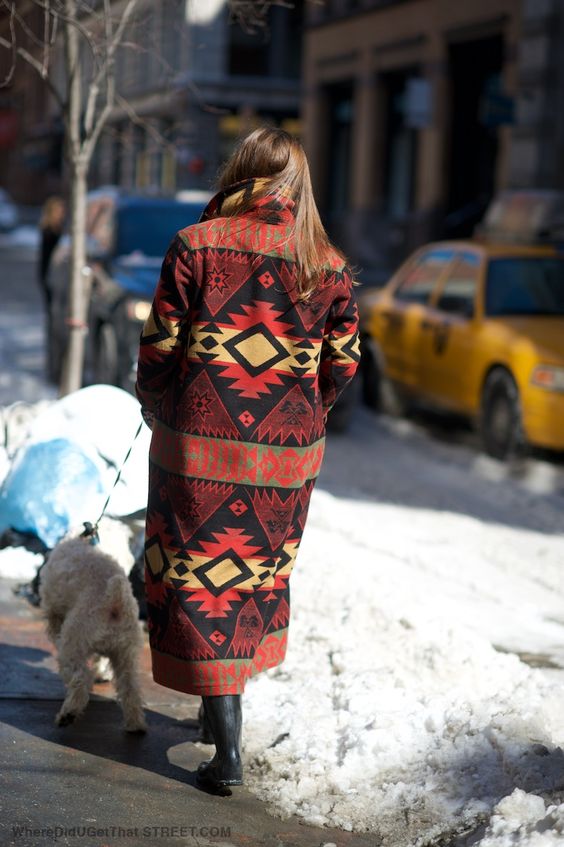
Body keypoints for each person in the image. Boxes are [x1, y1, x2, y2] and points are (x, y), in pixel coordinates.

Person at [135, 127, 361, 794]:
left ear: (240, 172)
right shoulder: (327, 262)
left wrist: (158, 398)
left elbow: (159, 346)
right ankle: (216, 723)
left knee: (197, 572)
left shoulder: (195, 246)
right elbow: (342, 364)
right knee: (246, 571)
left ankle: (226, 748)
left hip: (198, 442)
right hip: (285, 456)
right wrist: (300, 410)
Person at [38, 195, 66, 309]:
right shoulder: (49, 230)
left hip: (52, 271)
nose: (62, 213)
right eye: (59, 210)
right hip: (49, 271)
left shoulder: (58, 228)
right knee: (52, 306)